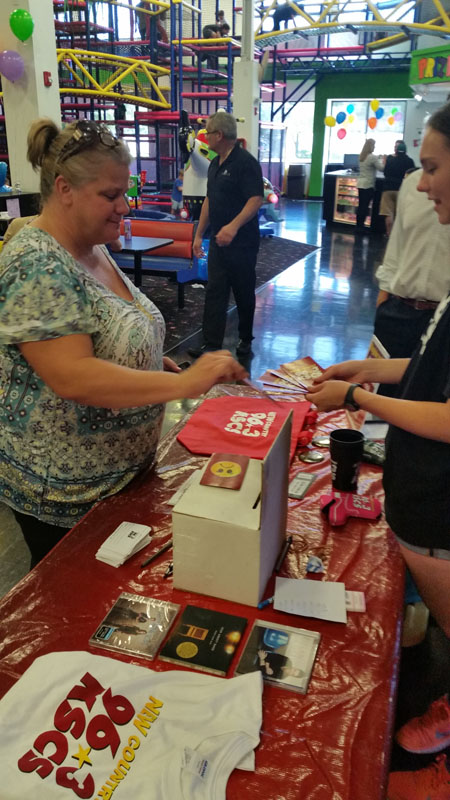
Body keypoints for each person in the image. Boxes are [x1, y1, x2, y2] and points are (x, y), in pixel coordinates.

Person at [0, 118, 246, 568]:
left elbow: (106, 329)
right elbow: (74, 376)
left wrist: (148, 359)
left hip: (119, 480)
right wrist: (185, 384)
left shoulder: (93, 245)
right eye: (110, 195)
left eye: (125, 192)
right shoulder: (37, 261)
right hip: (68, 497)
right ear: (65, 189)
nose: (124, 206)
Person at [306, 102, 450, 634]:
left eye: (432, 168)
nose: (421, 184)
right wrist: (362, 368)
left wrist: (356, 396)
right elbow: (431, 368)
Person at [188, 111, 264, 358]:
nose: (205, 136)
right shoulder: (214, 163)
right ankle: (211, 344)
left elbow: (256, 199)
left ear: (219, 135)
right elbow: (210, 199)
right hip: (218, 242)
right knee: (215, 291)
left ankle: (245, 339)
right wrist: (199, 234)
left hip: (243, 243)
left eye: (208, 132)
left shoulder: (245, 163)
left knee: (243, 290)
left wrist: (233, 227)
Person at [373, 168, 450, 396]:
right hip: (398, 310)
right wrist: (383, 301)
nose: (423, 185)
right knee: (381, 394)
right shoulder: (413, 183)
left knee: (429, 398)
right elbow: (396, 244)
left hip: (443, 317)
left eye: (432, 165)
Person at [379, 140, 415, 236]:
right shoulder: (410, 161)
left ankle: (388, 233)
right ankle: (397, 235)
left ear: (396, 150)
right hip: (401, 189)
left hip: (388, 189)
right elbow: (412, 176)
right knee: (399, 213)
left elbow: (385, 173)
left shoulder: (390, 160)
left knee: (388, 213)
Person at [356, 138, 384, 230]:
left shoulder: (361, 156)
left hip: (360, 184)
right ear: (370, 146)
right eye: (374, 145)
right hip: (368, 185)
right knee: (365, 207)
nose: (374, 147)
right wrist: (385, 161)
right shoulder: (372, 157)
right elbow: (381, 168)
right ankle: (361, 227)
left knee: (361, 206)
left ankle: (358, 226)